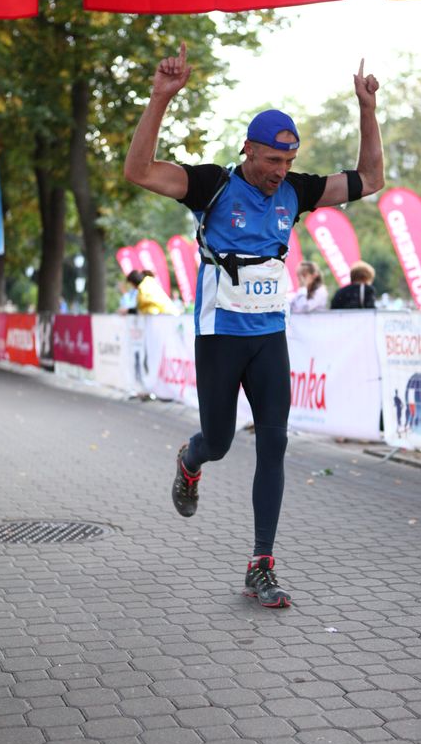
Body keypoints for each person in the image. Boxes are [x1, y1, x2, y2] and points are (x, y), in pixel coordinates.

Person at [124, 42, 384, 608]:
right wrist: (160, 97)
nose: (279, 173)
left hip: (269, 338)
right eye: (270, 161)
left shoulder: (296, 191)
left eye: (287, 162)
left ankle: (260, 564)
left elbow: (370, 178)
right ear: (248, 150)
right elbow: (138, 170)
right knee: (218, 442)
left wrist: (367, 109)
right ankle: (190, 461)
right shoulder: (212, 185)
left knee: (274, 444)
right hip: (220, 337)